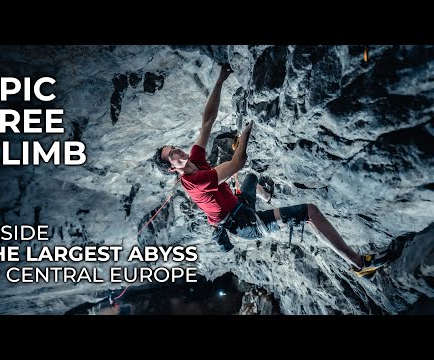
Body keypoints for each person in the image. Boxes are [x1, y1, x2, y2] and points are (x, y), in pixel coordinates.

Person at [154, 64, 389, 277]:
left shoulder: (194, 158)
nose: (177, 152)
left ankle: (265, 194)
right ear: (172, 169)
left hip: (239, 204)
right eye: (171, 156)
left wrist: (219, 81)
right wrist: (245, 134)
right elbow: (236, 164)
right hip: (245, 223)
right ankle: (360, 265)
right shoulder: (196, 180)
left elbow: (207, 122)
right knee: (310, 212)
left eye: (174, 148)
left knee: (252, 179)